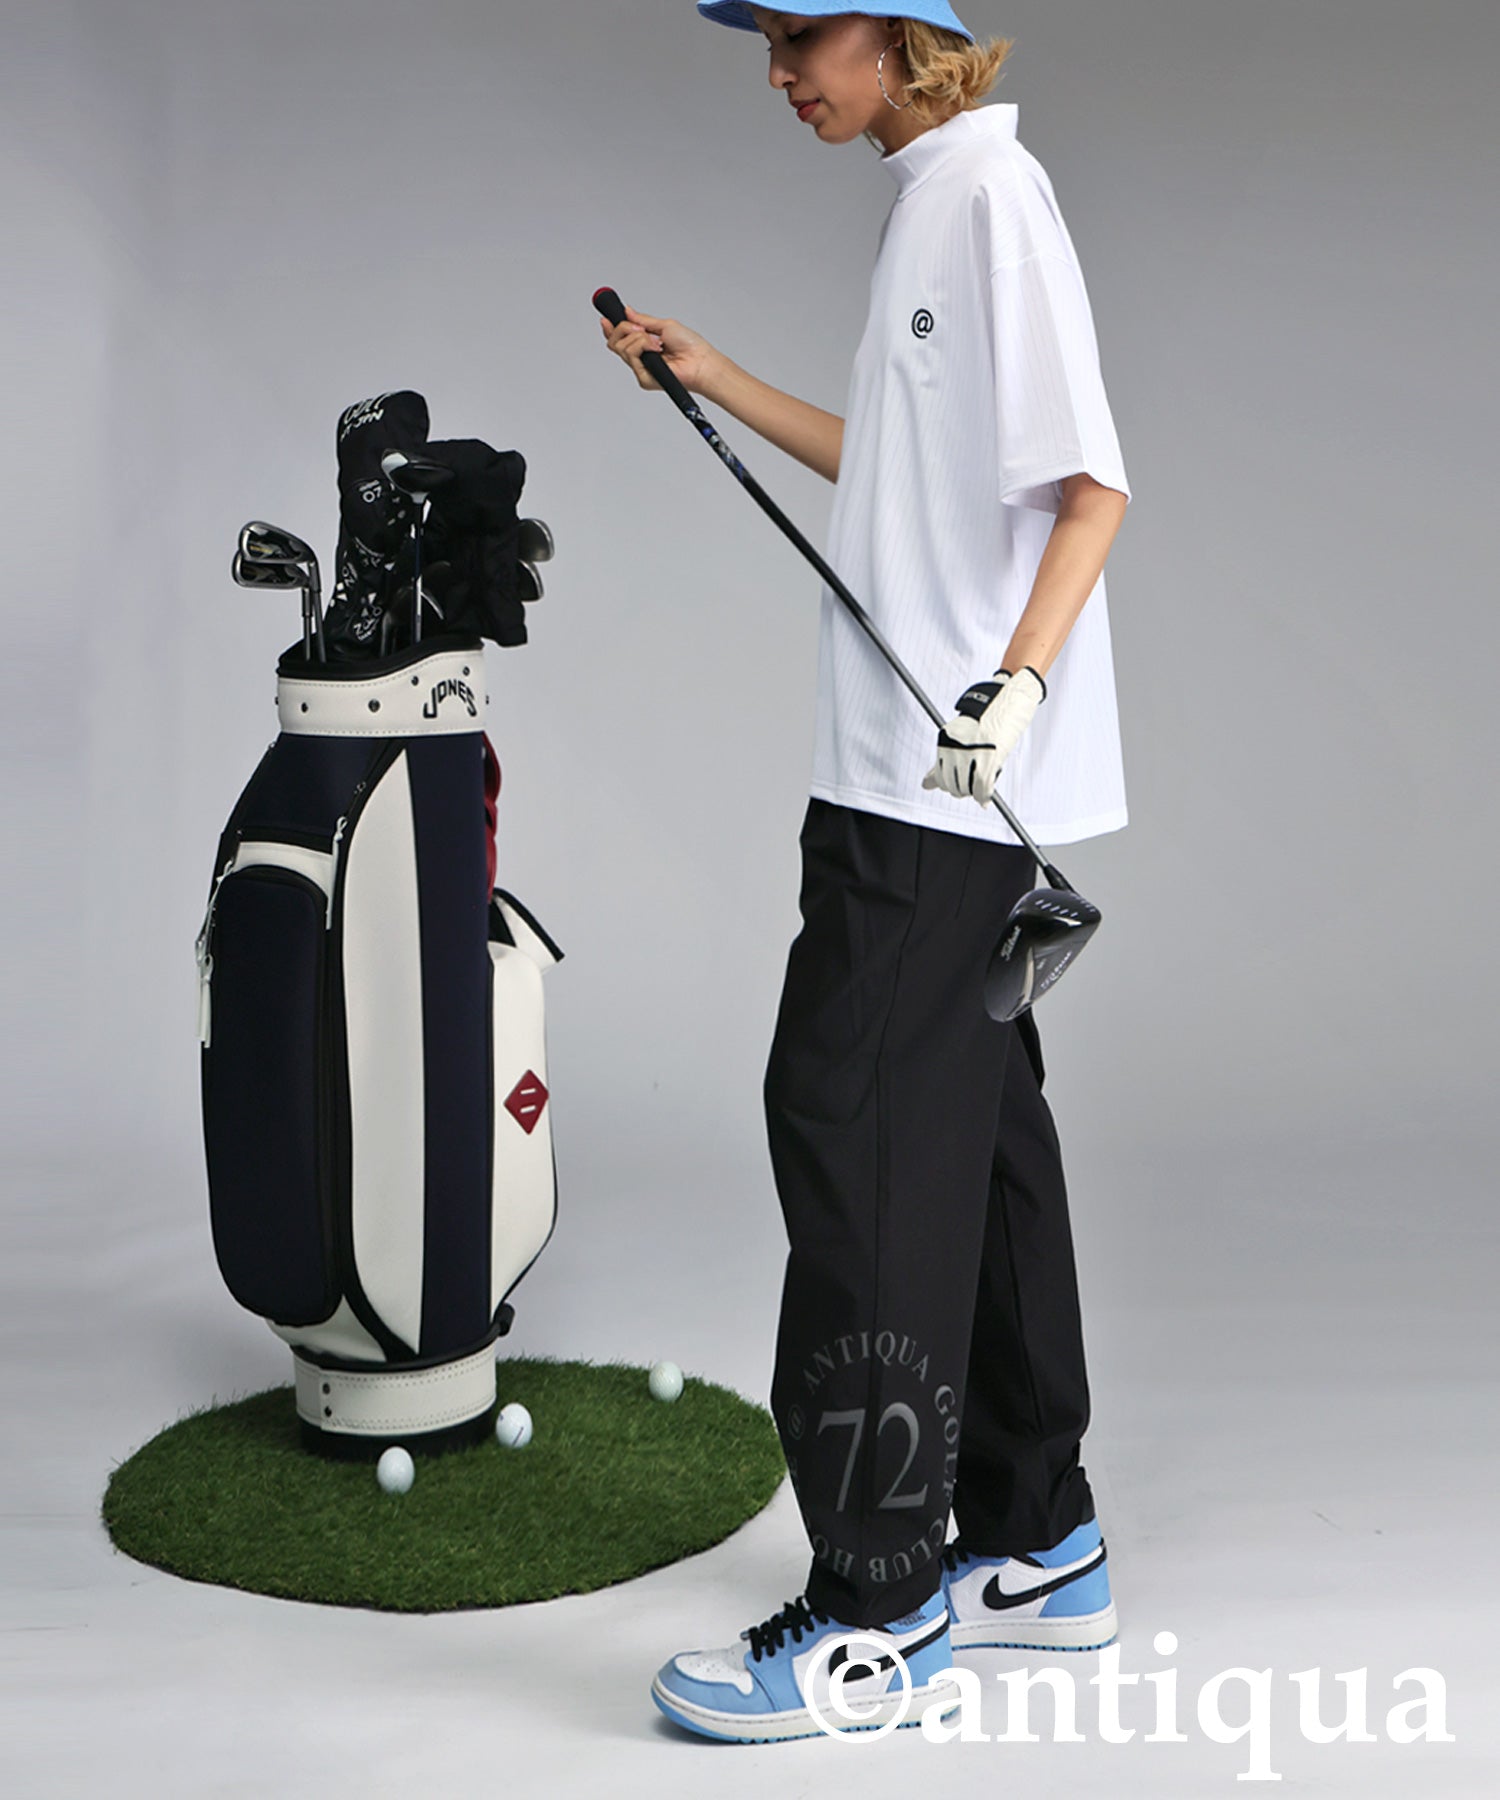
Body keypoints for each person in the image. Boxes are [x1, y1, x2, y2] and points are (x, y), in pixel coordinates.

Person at [602, 1, 1132, 1745]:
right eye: (764, 36)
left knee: (857, 1134)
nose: (777, 68)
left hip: (937, 787)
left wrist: (1016, 688)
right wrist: (719, 381)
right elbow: (906, 470)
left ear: (904, 37)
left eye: (802, 33)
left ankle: (880, 1606)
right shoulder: (930, 198)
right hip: (902, 780)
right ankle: (1040, 1534)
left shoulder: (990, 201)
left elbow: (1091, 487)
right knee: (975, 1135)